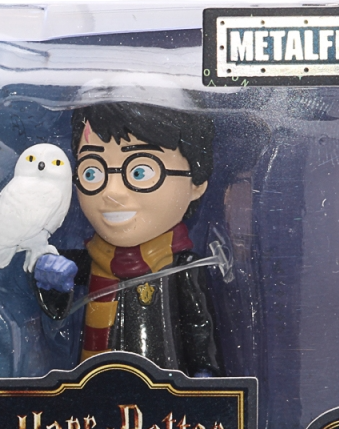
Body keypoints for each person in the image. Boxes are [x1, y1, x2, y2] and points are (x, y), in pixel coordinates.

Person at [32, 101, 246, 377]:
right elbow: (56, 312)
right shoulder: (87, 262)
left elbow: (199, 326)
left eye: (140, 172)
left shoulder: (181, 267)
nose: (112, 192)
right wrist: (48, 277)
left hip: (164, 390)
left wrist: (204, 375)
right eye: (92, 172)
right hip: (94, 386)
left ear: (196, 184)